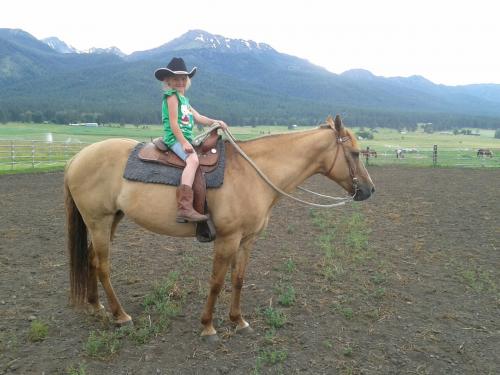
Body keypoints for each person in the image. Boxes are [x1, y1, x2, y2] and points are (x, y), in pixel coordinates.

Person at [154, 57, 228, 223]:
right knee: (193, 161)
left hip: (186, 138)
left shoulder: (184, 100)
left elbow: (199, 117)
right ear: (168, 81)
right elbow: (173, 124)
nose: (180, 82)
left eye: (183, 79)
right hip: (175, 139)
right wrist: (184, 142)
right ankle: (185, 207)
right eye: (176, 79)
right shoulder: (171, 97)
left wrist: (217, 122)